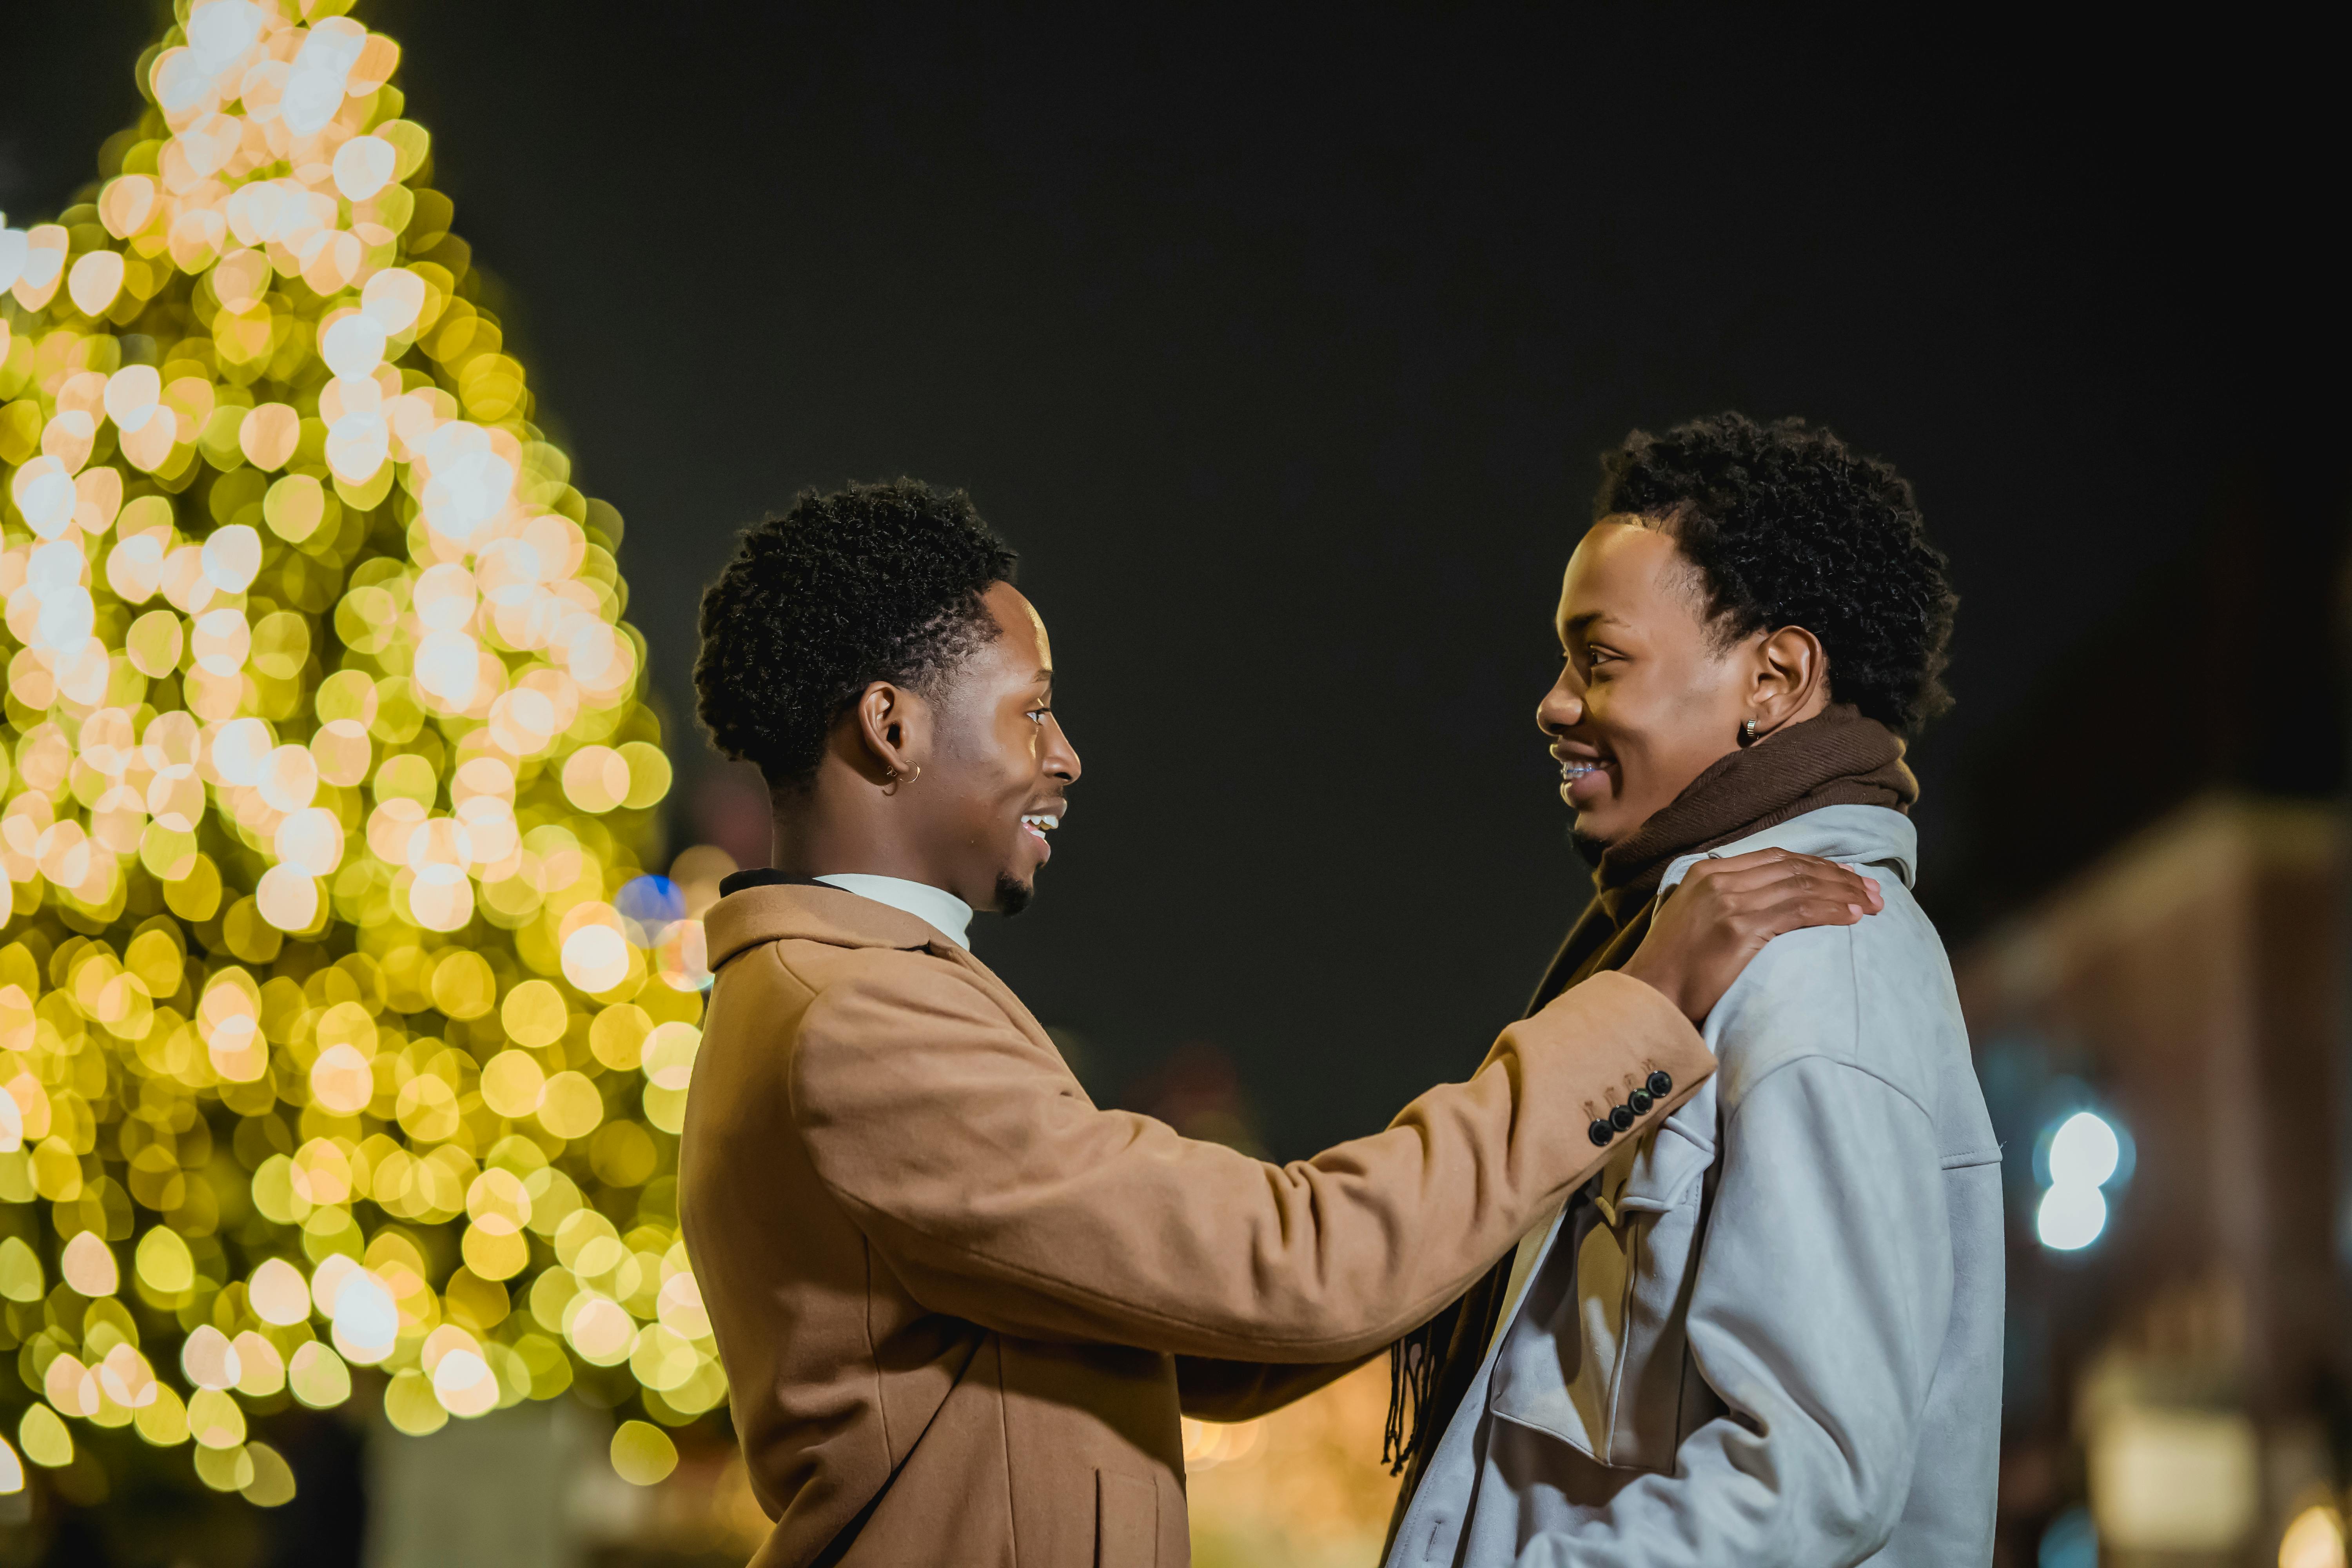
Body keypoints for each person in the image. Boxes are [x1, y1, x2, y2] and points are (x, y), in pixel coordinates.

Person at [676, 478, 1882, 1568]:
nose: (1069, 756)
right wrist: (1644, 1009)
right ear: (892, 727)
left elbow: (1222, 1344)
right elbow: (1288, 1268)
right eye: (1033, 713)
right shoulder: (859, 1021)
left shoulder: (861, 992)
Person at [1380, 414, 2000, 1567]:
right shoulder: (1701, 942)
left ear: (1775, 677)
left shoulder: (1819, 963)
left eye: (1599, 658)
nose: (1554, 704)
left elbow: (1808, 1472)